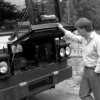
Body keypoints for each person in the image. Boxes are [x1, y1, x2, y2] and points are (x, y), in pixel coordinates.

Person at [56, 17, 100, 100]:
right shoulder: (84, 39)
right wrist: (62, 29)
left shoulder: (97, 40)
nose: (77, 32)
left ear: (83, 29)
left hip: (96, 72)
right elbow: (73, 37)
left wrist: (96, 71)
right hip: (86, 71)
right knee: (83, 94)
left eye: (78, 29)